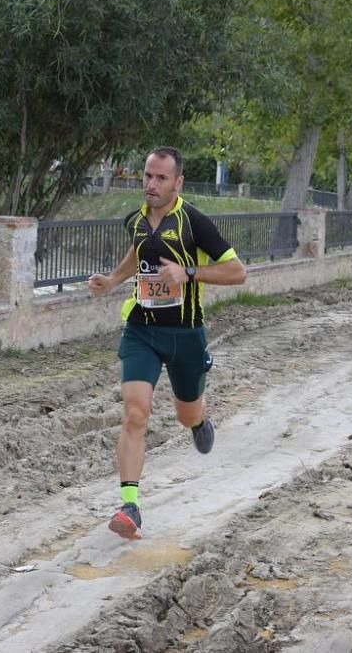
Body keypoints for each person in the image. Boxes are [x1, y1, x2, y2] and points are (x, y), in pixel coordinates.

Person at [88, 146, 247, 540]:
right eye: (147, 176)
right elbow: (137, 254)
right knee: (135, 413)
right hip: (141, 329)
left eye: (161, 178)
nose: (151, 184)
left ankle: (199, 419)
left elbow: (237, 272)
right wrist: (112, 280)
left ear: (177, 182)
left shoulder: (194, 222)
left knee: (185, 414)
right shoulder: (136, 220)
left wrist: (188, 272)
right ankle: (130, 506)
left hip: (186, 334)